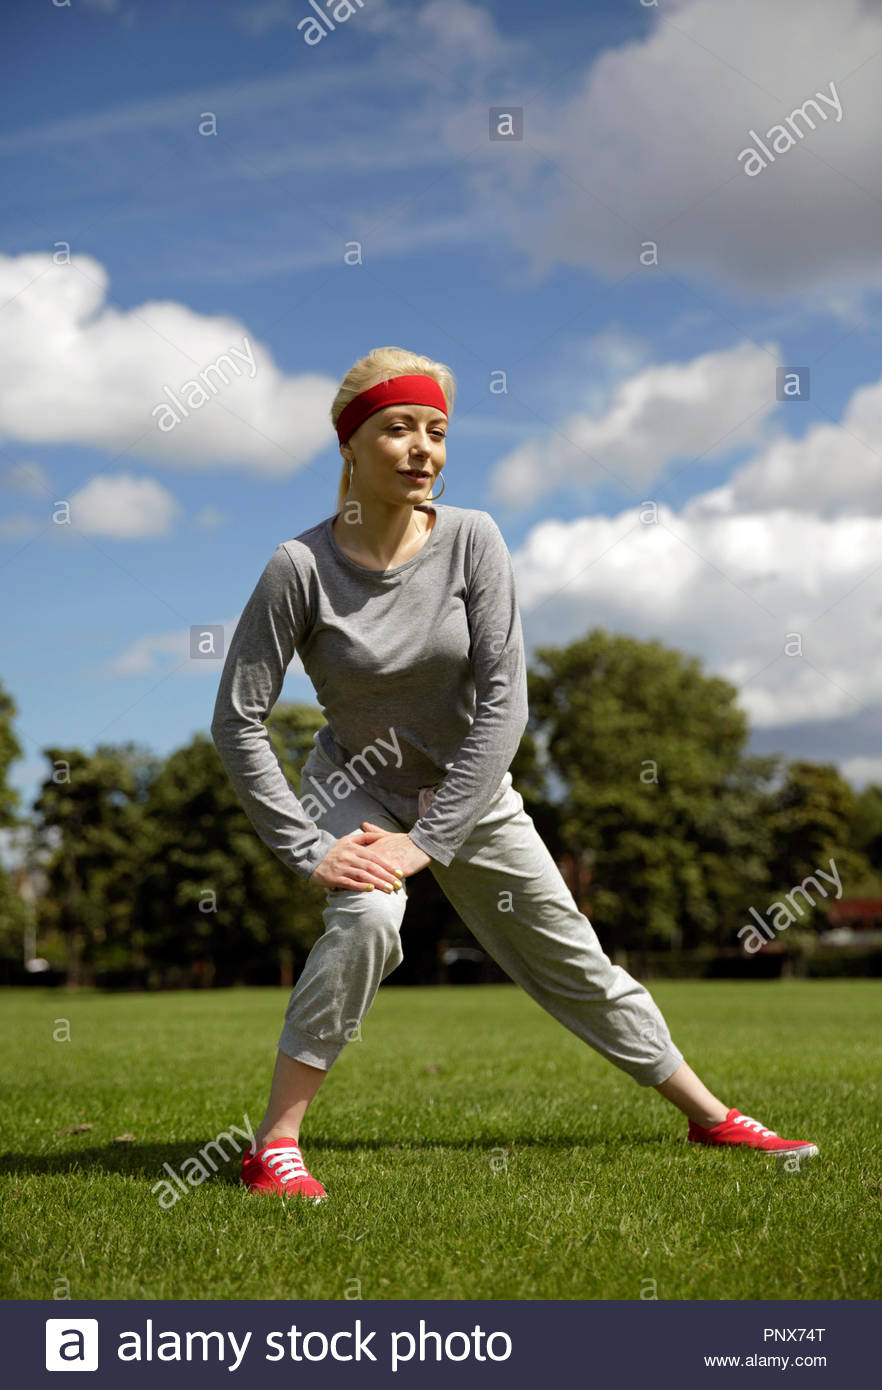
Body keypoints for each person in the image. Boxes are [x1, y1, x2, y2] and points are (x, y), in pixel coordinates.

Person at [210, 346, 818, 1201]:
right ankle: (274, 1145)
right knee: (369, 922)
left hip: (468, 792)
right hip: (358, 787)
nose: (423, 449)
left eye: (437, 431)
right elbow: (236, 718)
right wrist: (307, 846)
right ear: (350, 446)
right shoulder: (299, 569)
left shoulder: (473, 540)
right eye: (398, 430)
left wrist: (431, 839)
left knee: (575, 961)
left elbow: (505, 704)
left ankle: (708, 1114)